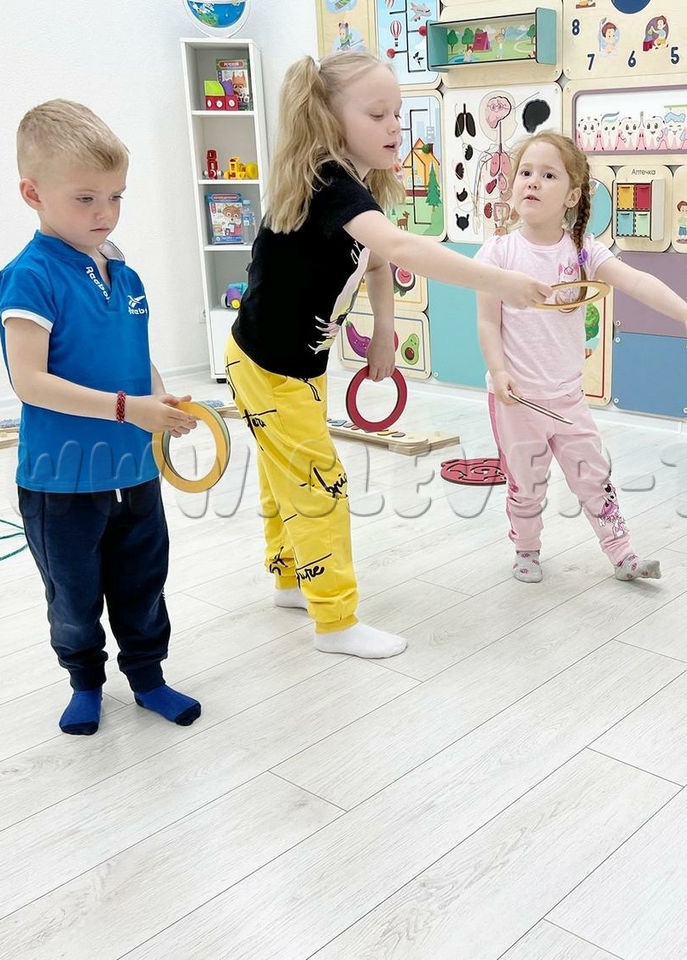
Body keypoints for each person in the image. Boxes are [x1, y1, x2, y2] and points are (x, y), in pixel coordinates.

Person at [225, 51, 550, 660]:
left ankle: (291, 580)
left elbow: (376, 263)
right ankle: (334, 621)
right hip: (269, 365)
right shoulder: (326, 182)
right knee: (319, 483)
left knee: (283, 473)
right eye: (377, 115)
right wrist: (501, 281)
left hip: (290, 363)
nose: (395, 127)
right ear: (328, 119)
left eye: (397, 113)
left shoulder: (356, 184)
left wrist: (381, 330)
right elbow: (401, 248)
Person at [0, 100, 201, 736]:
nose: (104, 212)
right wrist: (127, 408)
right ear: (33, 194)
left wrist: (159, 398)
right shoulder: (29, 277)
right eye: (85, 199)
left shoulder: (125, 272)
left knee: (143, 582)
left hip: (133, 469)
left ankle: (148, 677)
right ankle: (85, 682)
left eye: (115, 197)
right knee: (74, 598)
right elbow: (30, 382)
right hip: (61, 481)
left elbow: (135, 357)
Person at [476, 131, 687, 584]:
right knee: (526, 485)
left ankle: (622, 554)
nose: (532, 181)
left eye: (548, 175)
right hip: (517, 401)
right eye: (526, 172)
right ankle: (527, 549)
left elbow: (637, 282)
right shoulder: (498, 252)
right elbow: (487, 322)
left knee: (594, 477)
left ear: (572, 195)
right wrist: (498, 371)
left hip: (568, 399)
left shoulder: (583, 251)